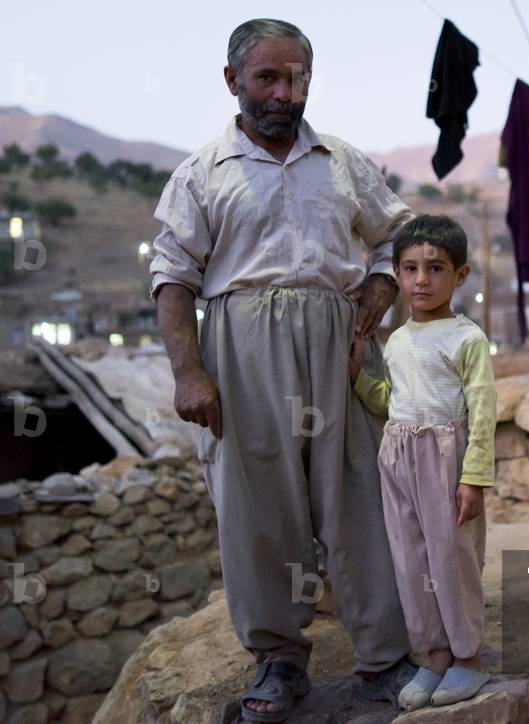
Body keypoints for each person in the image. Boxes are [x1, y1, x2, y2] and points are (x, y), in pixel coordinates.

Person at [149, 19, 417, 721]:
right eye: (268, 77)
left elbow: (396, 236)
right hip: (241, 347)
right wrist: (188, 372)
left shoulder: (342, 161)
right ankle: (277, 661)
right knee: (257, 510)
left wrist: (382, 285)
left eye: (296, 77)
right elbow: (173, 277)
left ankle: (385, 660)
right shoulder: (202, 173)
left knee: (360, 498)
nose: (283, 92)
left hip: (340, 339)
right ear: (233, 80)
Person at [349, 215, 496, 711]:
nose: (421, 280)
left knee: (451, 559)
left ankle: (468, 659)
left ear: (461, 275)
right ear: (396, 274)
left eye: (435, 268)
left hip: (445, 457)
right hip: (398, 455)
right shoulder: (398, 340)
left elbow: (483, 411)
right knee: (411, 559)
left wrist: (474, 477)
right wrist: (359, 381)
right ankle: (435, 656)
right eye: (409, 269)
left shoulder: (466, 338)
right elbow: (391, 398)